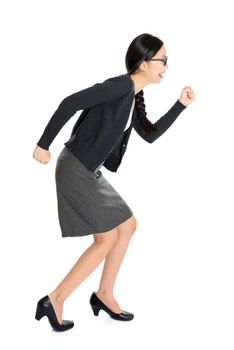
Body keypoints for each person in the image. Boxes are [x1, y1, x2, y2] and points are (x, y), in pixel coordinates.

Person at [33, 33, 195, 332]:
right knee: (106, 238)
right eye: (163, 60)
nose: (166, 66)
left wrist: (180, 106)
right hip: (75, 168)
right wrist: (44, 144)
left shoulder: (133, 97)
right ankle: (54, 299)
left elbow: (149, 134)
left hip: (88, 169)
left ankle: (104, 295)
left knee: (128, 225)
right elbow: (71, 102)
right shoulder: (120, 86)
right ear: (145, 63)